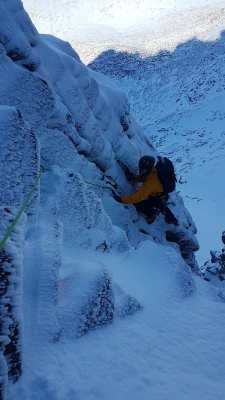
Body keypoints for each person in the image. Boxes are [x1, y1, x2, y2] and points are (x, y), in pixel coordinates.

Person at [112, 155, 179, 226]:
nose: (140, 169)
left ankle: (153, 212)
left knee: (139, 206)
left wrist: (121, 200)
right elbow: (143, 178)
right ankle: (174, 220)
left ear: (148, 168)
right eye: (139, 166)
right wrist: (134, 178)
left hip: (157, 199)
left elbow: (137, 197)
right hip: (159, 196)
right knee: (164, 208)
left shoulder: (151, 183)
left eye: (142, 167)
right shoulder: (150, 172)